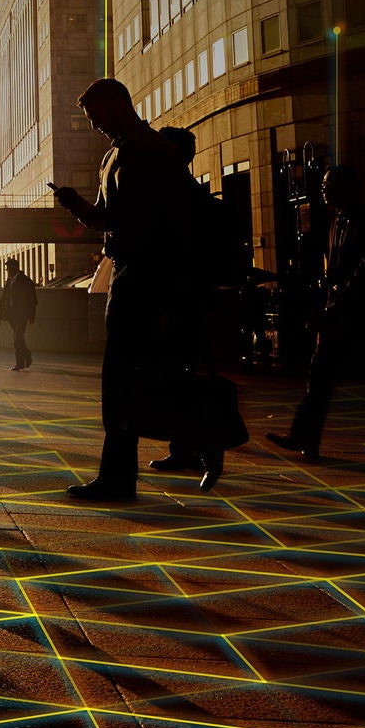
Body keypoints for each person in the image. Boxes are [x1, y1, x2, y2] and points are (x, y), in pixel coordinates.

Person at [51, 80, 196, 500]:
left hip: (151, 274)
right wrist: (77, 205)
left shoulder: (155, 152)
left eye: (96, 115)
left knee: (131, 376)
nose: (94, 125)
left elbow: (177, 226)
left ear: (119, 104)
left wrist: (174, 292)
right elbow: (106, 218)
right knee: (121, 378)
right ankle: (122, 473)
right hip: (127, 272)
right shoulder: (113, 155)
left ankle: (125, 474)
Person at [266, 165, 365, 461]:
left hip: (354, 310)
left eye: (328, 185)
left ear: (346, 187)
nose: (323, 190)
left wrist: (338, 301)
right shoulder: (336, 222)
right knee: (318, 375)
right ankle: (306, 438)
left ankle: (305, 437)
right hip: (336, 308)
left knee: (323, 375)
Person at [144, 124, 245, 491]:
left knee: (193, 379)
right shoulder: (179, 195)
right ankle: (184, 449)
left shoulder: (185, 201)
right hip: (184, 300)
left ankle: (209, 452)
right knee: (180, 376)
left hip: (187, 302)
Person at [0, 259, 39, 370]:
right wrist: (1, 314)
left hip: (22, 314)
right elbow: (4, 298)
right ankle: (24, 359)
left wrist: (31, 315)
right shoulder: (9, 281)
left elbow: (32, 299)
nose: (7, 271)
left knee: (17, 338)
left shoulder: (25, 281)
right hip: (12, 314)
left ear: (14, 268)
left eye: (8, 268)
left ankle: (22, 360)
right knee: (19, 339)